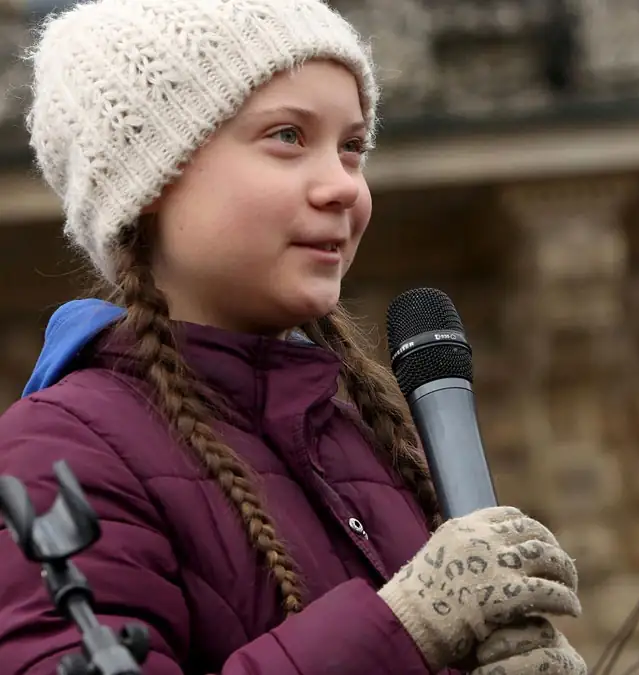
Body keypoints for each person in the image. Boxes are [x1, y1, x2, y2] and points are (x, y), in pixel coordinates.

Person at [0, 1, 587, 673]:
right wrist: (405, 626)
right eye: (287, 136)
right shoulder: (58, 451)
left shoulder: (360, 438)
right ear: (152, 179)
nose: (344, 187)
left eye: (352, 147)